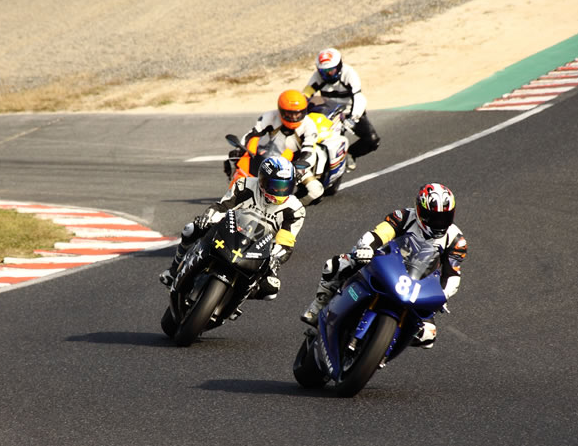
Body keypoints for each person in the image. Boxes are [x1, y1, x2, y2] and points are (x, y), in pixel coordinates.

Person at [299, 183, 467, 348]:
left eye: (444, 217)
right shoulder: (404, 217)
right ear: (419, 210)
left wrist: (442, 295)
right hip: (389, 266)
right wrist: (366, 248)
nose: (439, 223)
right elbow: (378, 234)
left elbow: (452, 275)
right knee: (336, 265)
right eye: (433, 217)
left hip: (419, 284)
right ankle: (318, 306)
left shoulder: (456, 240)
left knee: (428, 335)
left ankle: (384, 349)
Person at [161, 155, 306, 302]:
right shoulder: (245, 185)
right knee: (191, 229)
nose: (280, 191)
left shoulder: (295, 210)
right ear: (262, 180)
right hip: (232, 231)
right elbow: (222, 206)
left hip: (260, 249)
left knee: (271, 290)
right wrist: (208, 217)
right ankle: (174, 270)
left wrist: (275, 258)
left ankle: (233, 300)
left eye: (285, 187)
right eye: (275, 186)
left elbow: (285, 242)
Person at [302, 48, 380, 167]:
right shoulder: (318, 76)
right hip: (329, 114)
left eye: (331, 70)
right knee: (325, 144)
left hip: (350, 114)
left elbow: (358, 97)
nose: (328, 75)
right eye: (324, 71)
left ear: (339, 66)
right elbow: (306, 94)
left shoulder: (349, 74)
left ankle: (351, 154)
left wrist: (353, 117)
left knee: (372, 140)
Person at [224, 89, 319, 185]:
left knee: (315, 189)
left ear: (303, 111)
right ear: (281, 110)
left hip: (296, 163)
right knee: (235, 160)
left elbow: (309, 152)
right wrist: (239, 148)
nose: (294, 117)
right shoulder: (270, 116)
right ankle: (234, 185)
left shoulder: (309, 125)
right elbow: (252, 134)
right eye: (289, 114)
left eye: (297, 113)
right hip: (273, 157)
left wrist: (299, 169)